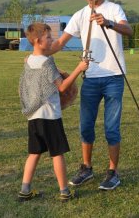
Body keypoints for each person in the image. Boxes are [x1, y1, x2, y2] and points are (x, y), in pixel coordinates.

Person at [48, 0, 133, 190]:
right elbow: (59, 43)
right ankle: (86, 168)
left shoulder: (114, 9)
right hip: (91, 79)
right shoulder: (79, 15)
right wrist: (41, 53)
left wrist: (109, 23)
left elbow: (129, 30)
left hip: (114, 77)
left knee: (111, 128)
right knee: (86, 126)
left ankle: (113, 173)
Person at [18, 22, 88, 202]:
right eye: (48, 37)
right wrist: (78, 69)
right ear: (37, 41)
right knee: (57, 154)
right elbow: (63, 87)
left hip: (33, 116)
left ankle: (25, 189)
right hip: (50, 116)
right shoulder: (47, 62)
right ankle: (64, 191)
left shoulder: (28, 61)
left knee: (34, 153)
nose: (52, 41)